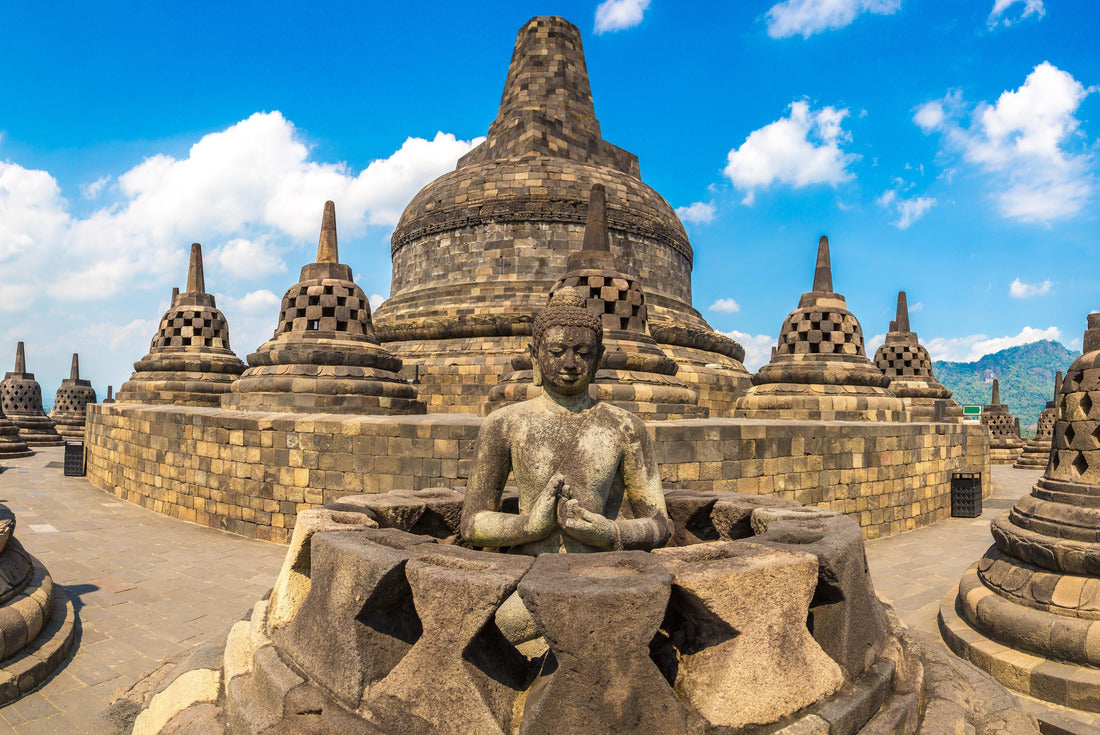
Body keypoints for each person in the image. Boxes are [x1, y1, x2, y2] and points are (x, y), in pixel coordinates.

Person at [460, 287, 672, 556]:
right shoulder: (504, 424)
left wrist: (609, 533)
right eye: (557, 351)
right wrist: (527, 527)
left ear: (597, 359)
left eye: (583, 353)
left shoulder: (625, 427)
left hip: (601, 569)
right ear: (535, 356)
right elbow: (471, 523)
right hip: (528, 568)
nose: (570, 363)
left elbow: (659, 524)